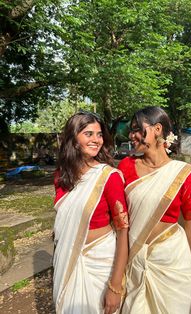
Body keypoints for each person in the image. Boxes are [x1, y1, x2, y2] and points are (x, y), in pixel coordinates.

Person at [118, 106, 191, 314]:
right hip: (135, 264)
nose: (132, 135)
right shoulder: (125, 167)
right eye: (131, 129)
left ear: (157, 129)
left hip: (173, 264)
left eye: (137, 129)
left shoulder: (184, 174)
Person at [53, 111, 129, 314]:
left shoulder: (108, 177)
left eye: (99, 134)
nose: (96, 140)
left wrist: (115, 285)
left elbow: (123, 232)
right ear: (73, 138)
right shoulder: (62, 176)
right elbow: (63, 224)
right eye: (88, 134)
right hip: (67, 258)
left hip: (100, 264)